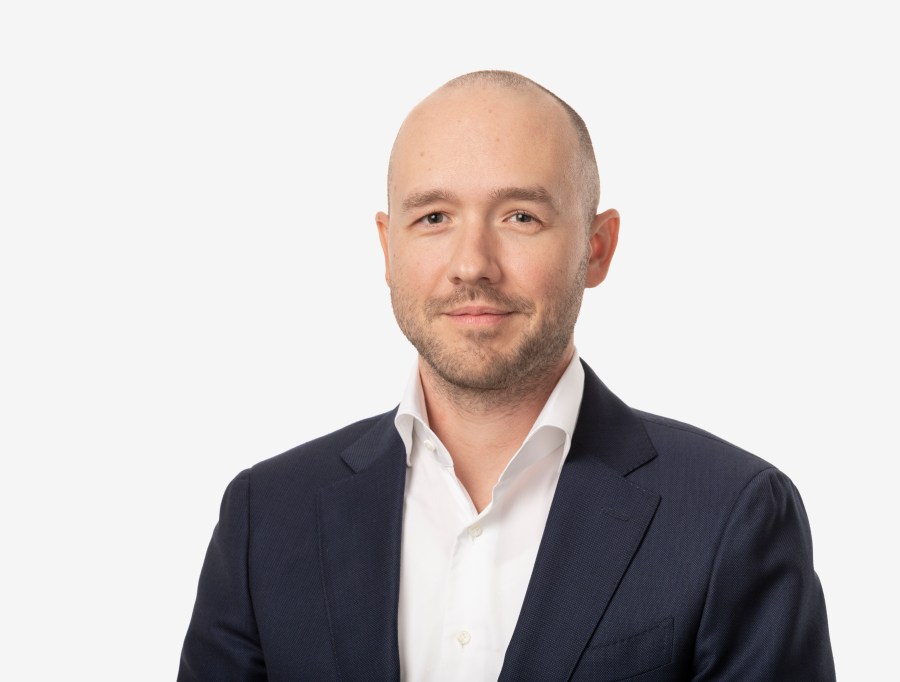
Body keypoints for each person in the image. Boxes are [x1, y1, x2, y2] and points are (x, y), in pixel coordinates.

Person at [178, 70, 835, 681]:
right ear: (387, 247)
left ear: (596, 248)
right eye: (433, 217)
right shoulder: (265, 517)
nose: (473, 264)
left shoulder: (731, 514)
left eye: (520, 216)